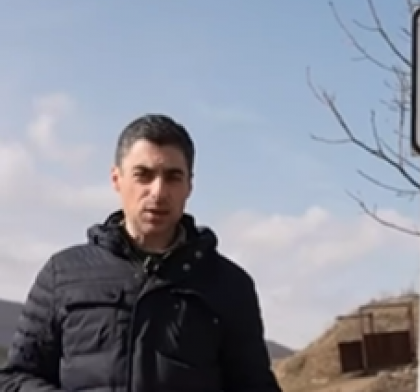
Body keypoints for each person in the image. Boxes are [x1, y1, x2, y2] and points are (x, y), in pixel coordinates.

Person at [0, 114, 283, 392]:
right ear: (117, 179)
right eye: (143, 175)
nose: (158, 192)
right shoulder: (62, 274)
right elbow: (14, 379)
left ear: (189, 186)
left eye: (173, 177)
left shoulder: (229, 285)